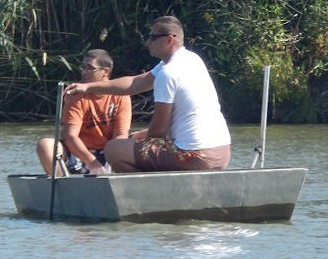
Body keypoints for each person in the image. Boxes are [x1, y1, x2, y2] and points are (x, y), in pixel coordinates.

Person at [64, 16, 231, 173]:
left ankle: (144, 196)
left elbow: (158, 131)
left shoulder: (168, 73)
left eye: (153, 37)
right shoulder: (191, 59)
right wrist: (88, 88)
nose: (148, 41)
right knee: (130, 143)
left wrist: (136, 137)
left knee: (114, 149)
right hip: (222, 153)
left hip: (195, 157)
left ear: (169, 40)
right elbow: (135, 83)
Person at [37, 49, 132, 176]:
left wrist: (112, 158)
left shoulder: (121, 95)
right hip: (78, 152)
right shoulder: (76, 94)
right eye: (83, 67)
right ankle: (65, 186)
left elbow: (121, 135)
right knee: (45, 145)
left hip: (108, 151)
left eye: (90, 68)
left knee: (139, 142)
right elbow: (70, 136)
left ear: (106, 72)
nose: (84, 73)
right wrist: (93, 163)